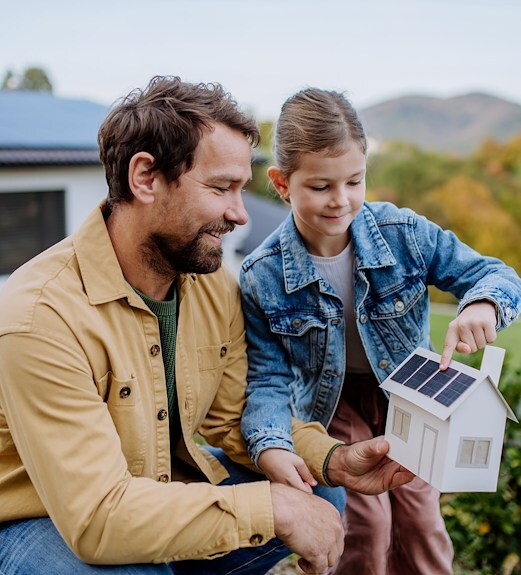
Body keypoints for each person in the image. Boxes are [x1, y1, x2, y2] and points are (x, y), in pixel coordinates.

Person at [0, 76, 414, 575]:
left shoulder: (210, 284)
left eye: (242, 189)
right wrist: (271, 509)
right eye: (221, 189)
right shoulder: (39, 317)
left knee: (318, 491)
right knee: (127, 566)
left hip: (151, 490)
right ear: (146, 178)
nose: (240, 214)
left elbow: (236, 415)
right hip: (43, 518)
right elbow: (96, 519)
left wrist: (333, 459)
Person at [239, 87, 521, 575]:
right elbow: (267, 376)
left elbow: (496, 275)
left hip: (412, 396)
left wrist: (482, 304)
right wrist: (270, 443)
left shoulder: (404, 233)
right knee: (365, 527)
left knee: (422, 522)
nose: (341, 200)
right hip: (332, 405)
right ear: (282, 183)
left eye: (354, 181)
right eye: (321, 187)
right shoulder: (262, 275)